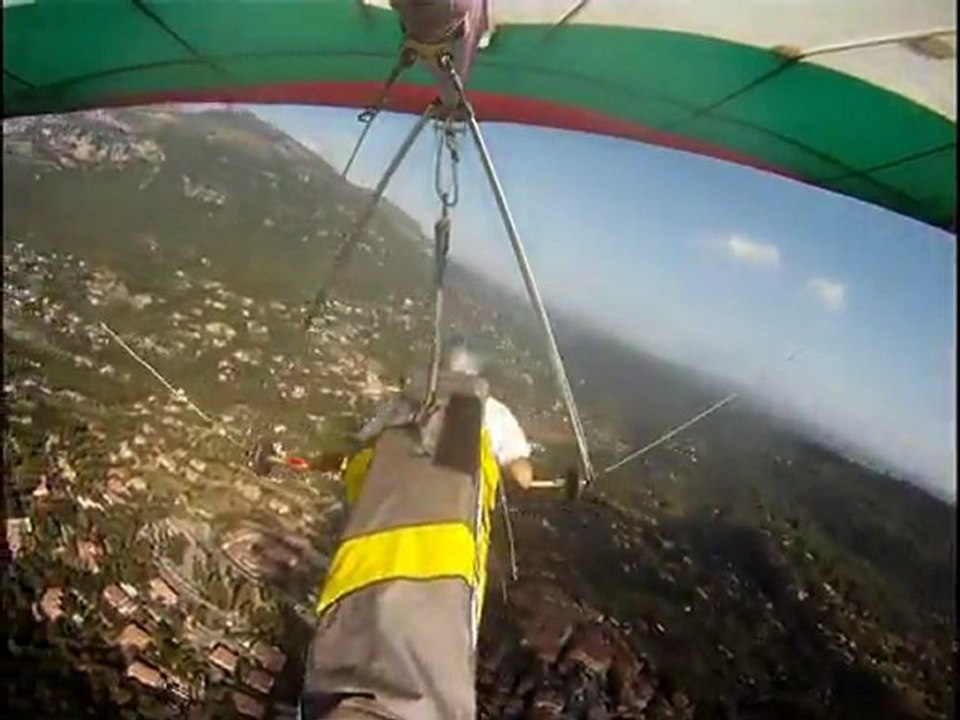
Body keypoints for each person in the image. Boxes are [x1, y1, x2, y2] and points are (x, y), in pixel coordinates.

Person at [299, 340, 535, 720]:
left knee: (356, 633)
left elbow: (357, 451)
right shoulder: (490, 411)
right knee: (431, 651)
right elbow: (522, 473)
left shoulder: (402, 405)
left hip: (371, 544)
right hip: (443, 554)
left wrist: (330, 460)